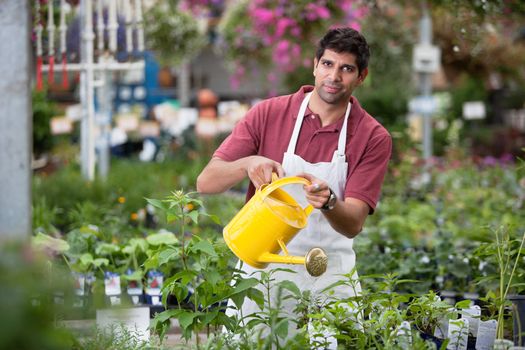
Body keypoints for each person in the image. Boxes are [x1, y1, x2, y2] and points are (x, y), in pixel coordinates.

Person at [196, 27, 392, 336]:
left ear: (361, 76)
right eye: (328, 64)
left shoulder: (372, 136)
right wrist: (249, 163)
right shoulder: (269, 113)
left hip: (330, 273)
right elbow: (206, 182)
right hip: (263, 269)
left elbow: (353, 223)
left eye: (347, 68)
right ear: (315, 65)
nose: (334, 76)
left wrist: (328, 202)